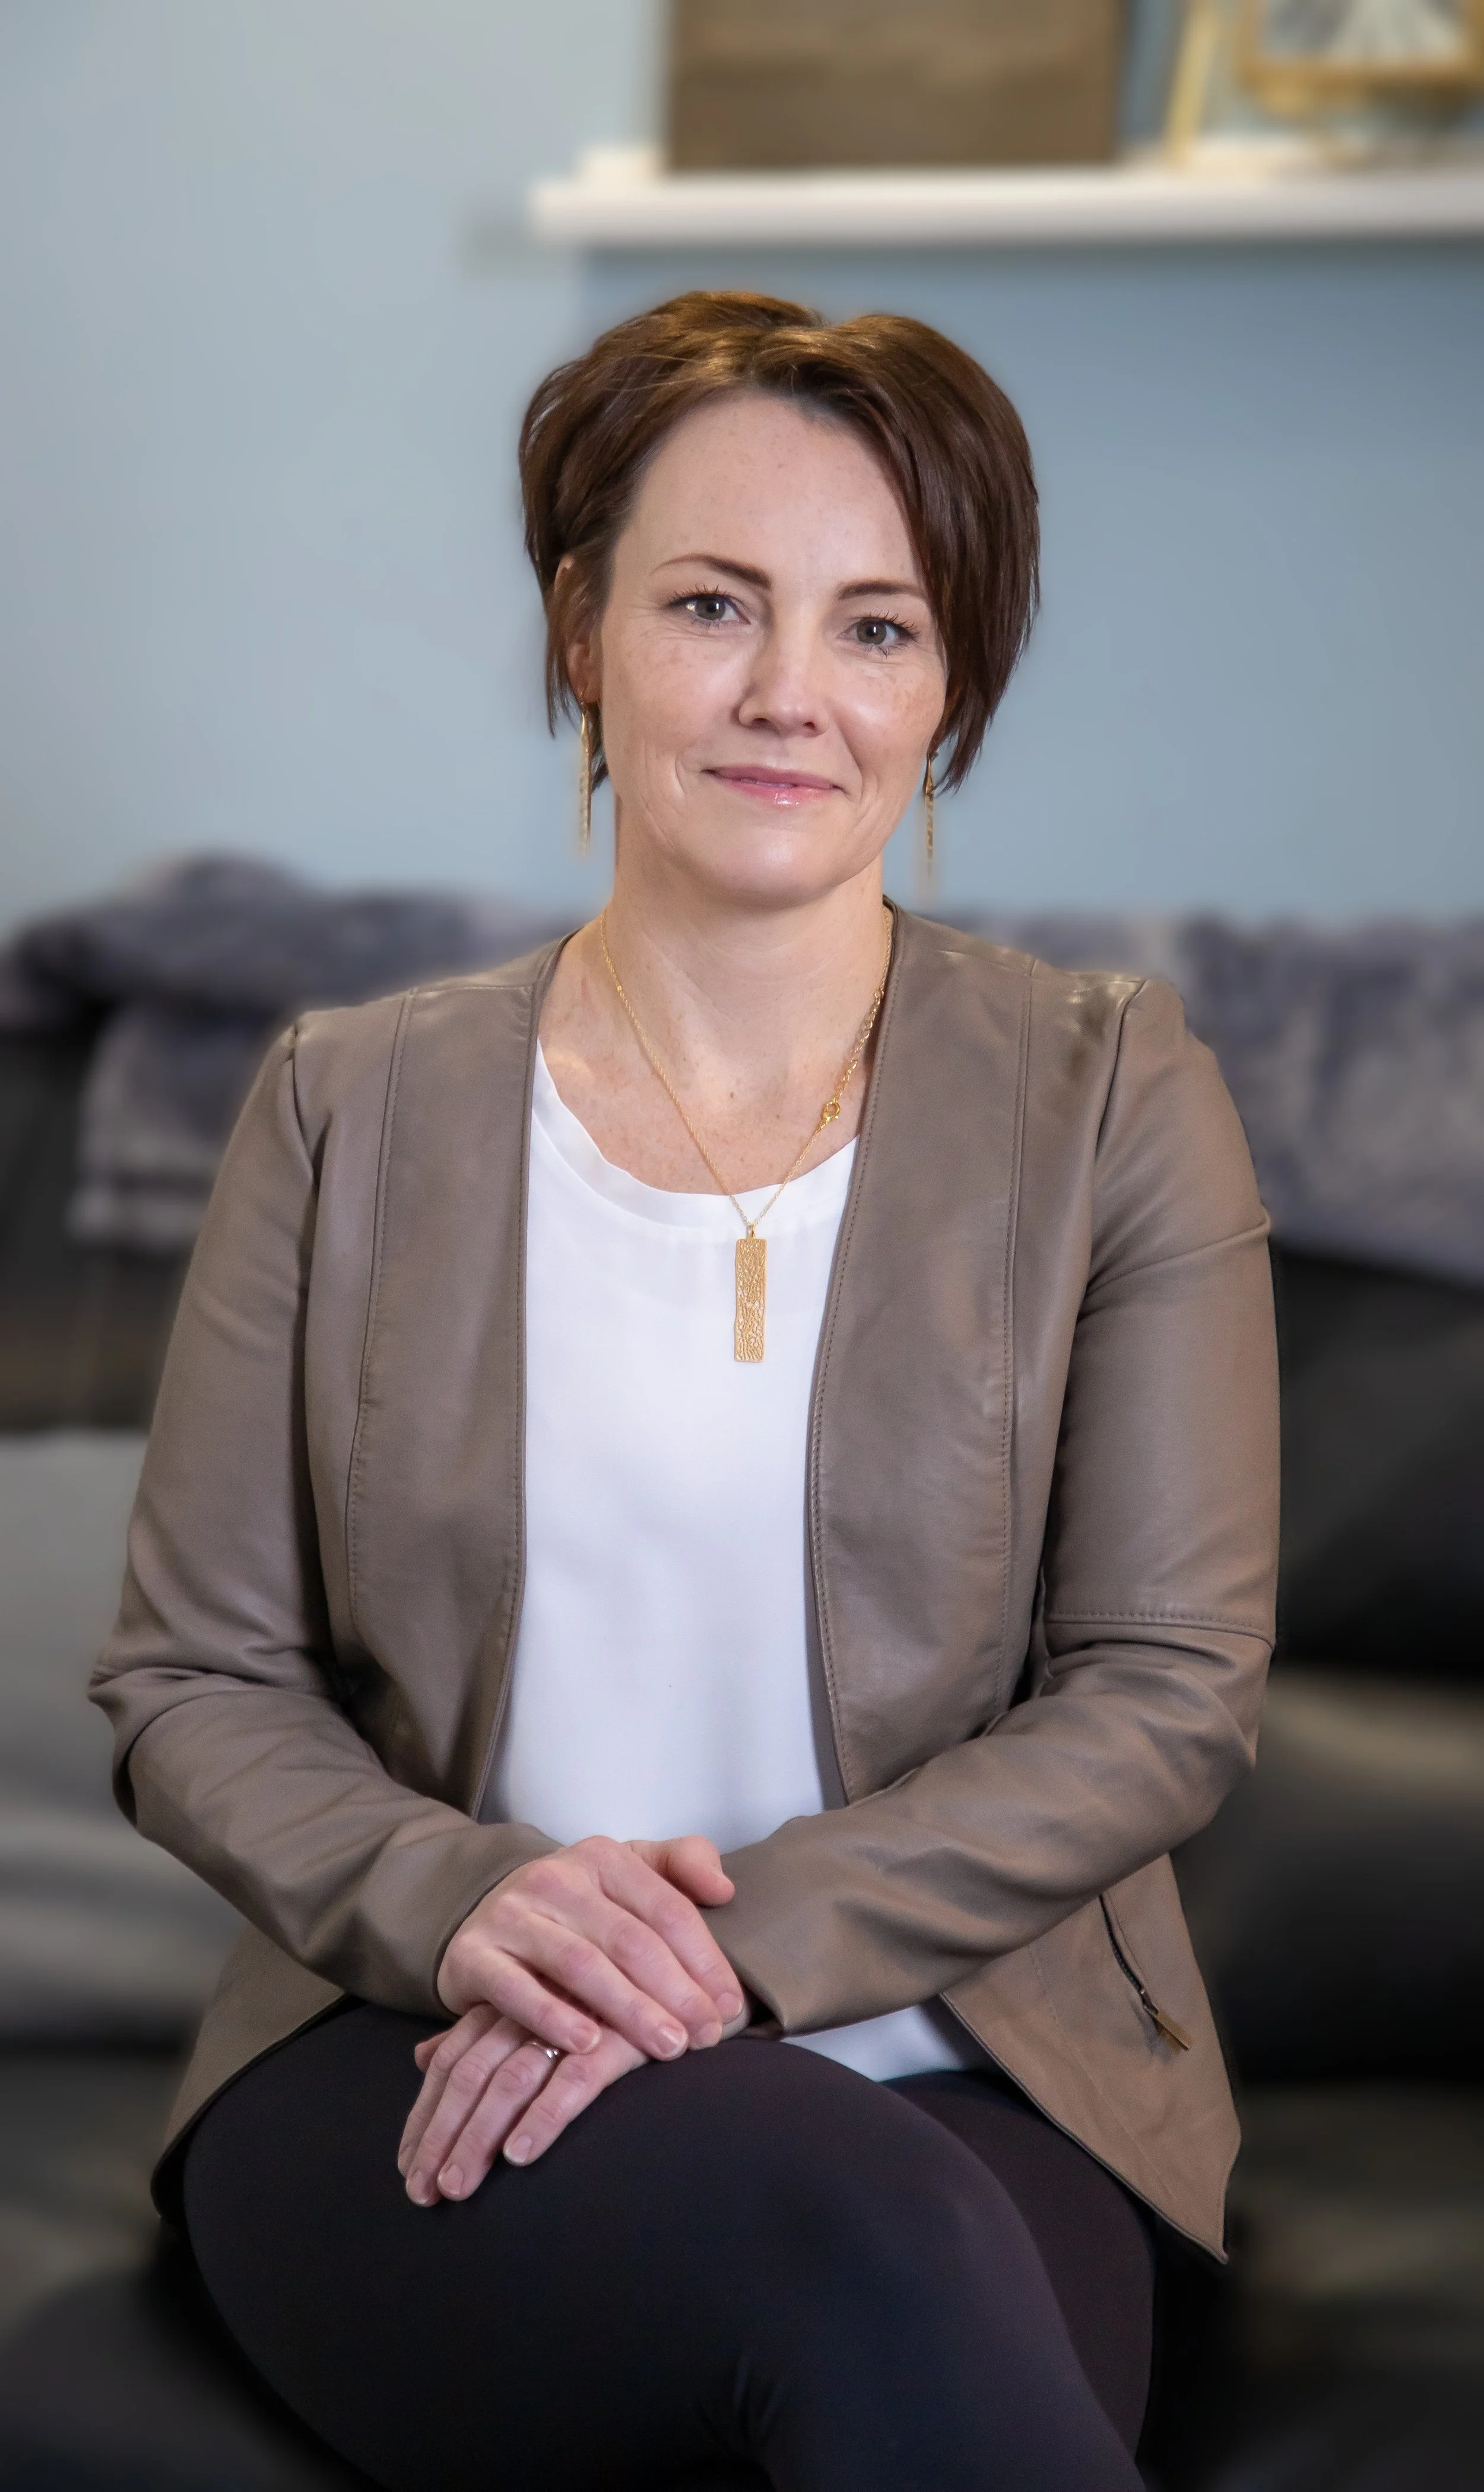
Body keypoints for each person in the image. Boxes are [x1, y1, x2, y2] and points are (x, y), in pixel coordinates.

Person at [91, 291, 1280, 2492]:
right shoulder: (347, 1105)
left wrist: (733, 1965)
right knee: (863, 2254)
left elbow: (1165, 1685)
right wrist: (467, 1897)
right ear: (582, 629)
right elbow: (193, 1675)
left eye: (875, 628)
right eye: (712, 605)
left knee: (890, 2249)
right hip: (421, 2031)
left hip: (974, 2075)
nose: (784, 694)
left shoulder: (1114, 1096)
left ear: (948, 685)